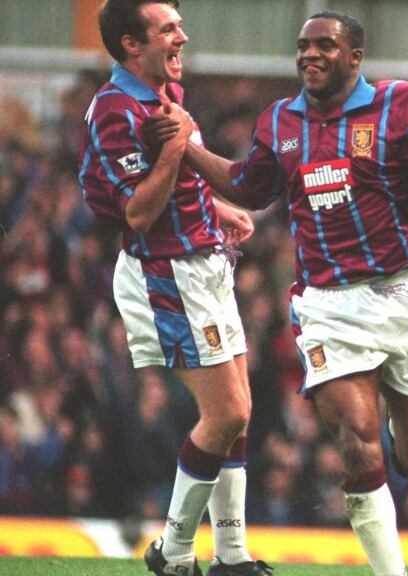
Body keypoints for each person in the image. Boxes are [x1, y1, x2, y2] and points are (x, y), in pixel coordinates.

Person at [148, 10, 408, 576]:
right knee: (356, 442)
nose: (309, 55)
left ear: (356, 57)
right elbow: (249, 185)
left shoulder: (404, 106)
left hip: (405, 295)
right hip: (327, 305)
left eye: (324, 46)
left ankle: (401, 420)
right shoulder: (280, 121)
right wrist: (189, 146)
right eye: (302, 46)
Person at [79, 2, 270, 575]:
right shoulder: (116, 109)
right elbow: (136, 211)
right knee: (226, 412)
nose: (182, 36)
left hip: (204, 260)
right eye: (168, 28)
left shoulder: (165, 95)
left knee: (240, 411)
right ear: (132, 45)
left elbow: (175, 182)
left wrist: (218, 208)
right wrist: (174, 144)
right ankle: (174, 550)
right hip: (167, 272)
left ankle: (231, 555)